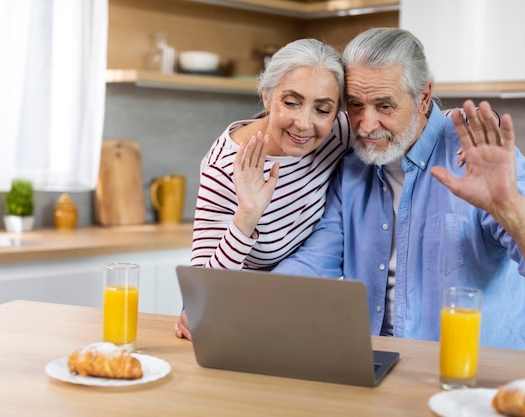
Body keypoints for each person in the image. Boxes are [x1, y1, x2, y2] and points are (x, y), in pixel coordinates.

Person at [271, 27, 525, 351]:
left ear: (423, 97)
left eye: (384, 106)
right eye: (355, 106)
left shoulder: (474, 155)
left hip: (479, 383)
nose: (366, 125)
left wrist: (510, 207)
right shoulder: (353, 168)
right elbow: (313, 263)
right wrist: (252, 299)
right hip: (377, 370)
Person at [176, 36, 469, 340]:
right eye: (291, 102)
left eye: (322, 109)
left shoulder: (337, 133)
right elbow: (202, 287)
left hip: (293, 316)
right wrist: (247, 217)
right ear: (266, 96)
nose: (304, 124)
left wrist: (460, 132)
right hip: (239, 313)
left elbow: (410, 119)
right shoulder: (225, 166)